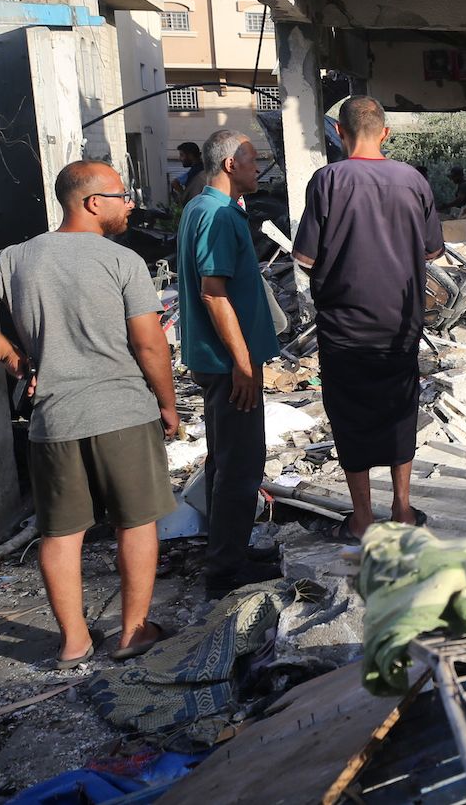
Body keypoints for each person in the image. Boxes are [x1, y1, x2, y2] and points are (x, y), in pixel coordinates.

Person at [0, 161, 177, 666]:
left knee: (60, 533)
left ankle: (73, 642)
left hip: (54, 419)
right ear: (91, 202)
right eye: (120, 195)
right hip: (122, 412)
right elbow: (149, 342)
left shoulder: (18, 258)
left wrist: (13, 359)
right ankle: (133, 633)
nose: (129, 203)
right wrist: (168, 403)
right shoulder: (121, 260)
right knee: (136, 524)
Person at [294, 96, 444, 542]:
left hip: (343, 326)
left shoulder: (327, 181)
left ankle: (362, 517)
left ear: (339, 133)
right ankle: (401, 508)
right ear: (386, 133)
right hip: (399, 323)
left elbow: (305, 256)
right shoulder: (413, 181)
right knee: (400, 411)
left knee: (349, 415)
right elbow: (433, 251)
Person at [178, 130, 284, 597]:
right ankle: (225, 571)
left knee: (225, 460)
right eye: (251, 159)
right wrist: (243, 364)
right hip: (228, 362)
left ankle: (229, 550)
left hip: (218, 358)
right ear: (228, 166)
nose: (257, 166)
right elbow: (213, 292)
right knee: (241, 464)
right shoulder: (218, 215)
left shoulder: (205, 208)